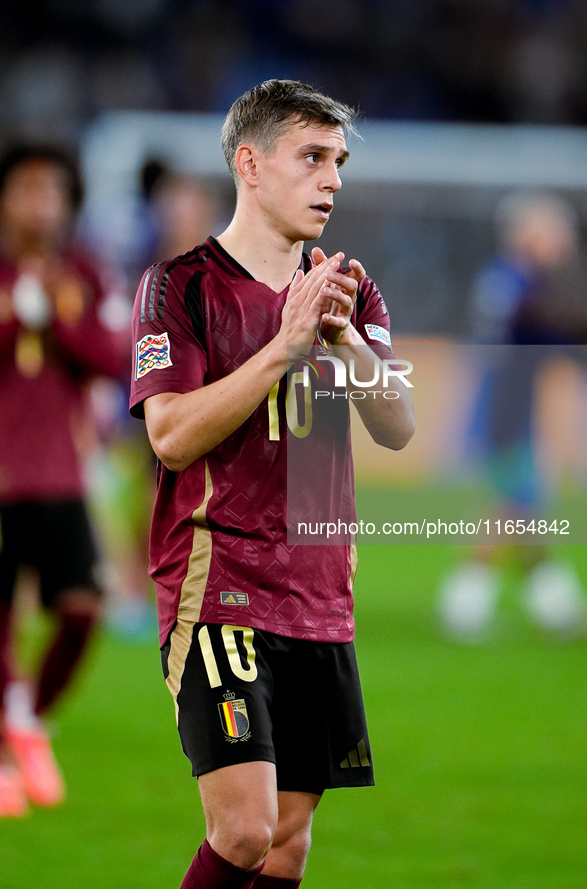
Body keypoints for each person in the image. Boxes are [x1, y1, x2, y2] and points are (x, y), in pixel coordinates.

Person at [130, 79, 415, 889]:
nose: (332, 180)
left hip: (320, 593)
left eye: (339, 162)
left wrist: (342, 342)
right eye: (313, 158)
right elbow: (173, 436)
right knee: (245, 829)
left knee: (288, 842)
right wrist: (284, 348)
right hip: (221, 589)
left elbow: (396, 423)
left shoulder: (347, 290)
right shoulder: (179, 287)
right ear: (249, 164)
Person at [0, 144, 129, 817]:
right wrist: (22, 315)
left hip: (60, 475)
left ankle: (27, 718)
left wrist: (58, 315)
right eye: (26, 189)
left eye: (52, 191)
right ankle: (1, 756)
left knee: (81, 609)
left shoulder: (86, 275)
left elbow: (114, 358)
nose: (41, 204)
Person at [439, 192, 587, 639]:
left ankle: (553, 605)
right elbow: (552, 336)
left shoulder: (506, 281)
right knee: (512, 504)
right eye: (555, 233)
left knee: (523, 506)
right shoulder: (522, 286)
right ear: (529, 236)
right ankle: (465, 604)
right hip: (506, 411)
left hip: (506, 408)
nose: (565, 243)